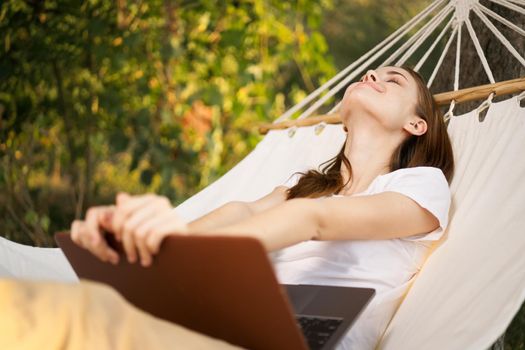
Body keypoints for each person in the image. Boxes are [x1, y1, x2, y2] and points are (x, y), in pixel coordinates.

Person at [71, 65, 454, 349]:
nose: (372, 76)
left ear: (417, 124)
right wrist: (159, 241)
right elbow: (245, 212)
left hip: (304, 334)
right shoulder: (303, 187)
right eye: (371, 74)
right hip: (236, 312)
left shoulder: (420, 184)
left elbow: (315, 219)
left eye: (393, 80)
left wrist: (184, 255)